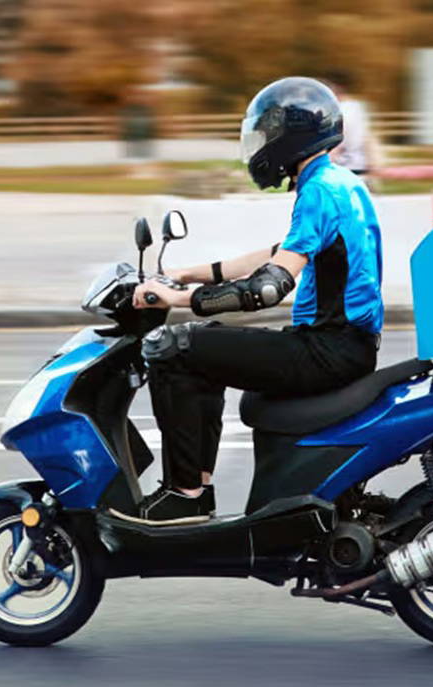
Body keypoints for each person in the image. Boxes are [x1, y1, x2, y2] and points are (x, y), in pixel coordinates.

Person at [129, 77, 383, 524]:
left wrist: (179, 298)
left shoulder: (320, 191)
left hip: (327, 348)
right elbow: (275, 254)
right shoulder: (337, 181)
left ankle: (186, 496)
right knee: (205, 349)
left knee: (174, 347)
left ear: (292, 136)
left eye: (267, 135)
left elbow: (267, 287)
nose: (260, 147)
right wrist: (188, 273)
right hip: (344, 346)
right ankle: (195, 488)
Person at [327, 72, 382, 180]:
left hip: (343, 167)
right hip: (360, 166)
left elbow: (337, 142)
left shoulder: (340, 110)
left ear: (336, 88)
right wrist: (373, 163)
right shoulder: (357, 107)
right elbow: (367, 137)